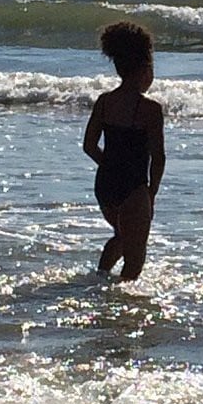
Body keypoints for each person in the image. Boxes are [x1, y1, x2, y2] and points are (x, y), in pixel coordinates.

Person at [82, 21, 165, 281]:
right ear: (144, 70)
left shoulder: (105, 102)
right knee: (135, 259)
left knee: (122, 236)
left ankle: (101, 278)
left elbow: (89, 145)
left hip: (106, 184)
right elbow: (158, 157)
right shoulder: (150, 109)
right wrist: (151, 192)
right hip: (134, 186)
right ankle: (119, 304)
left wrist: (109, 165)